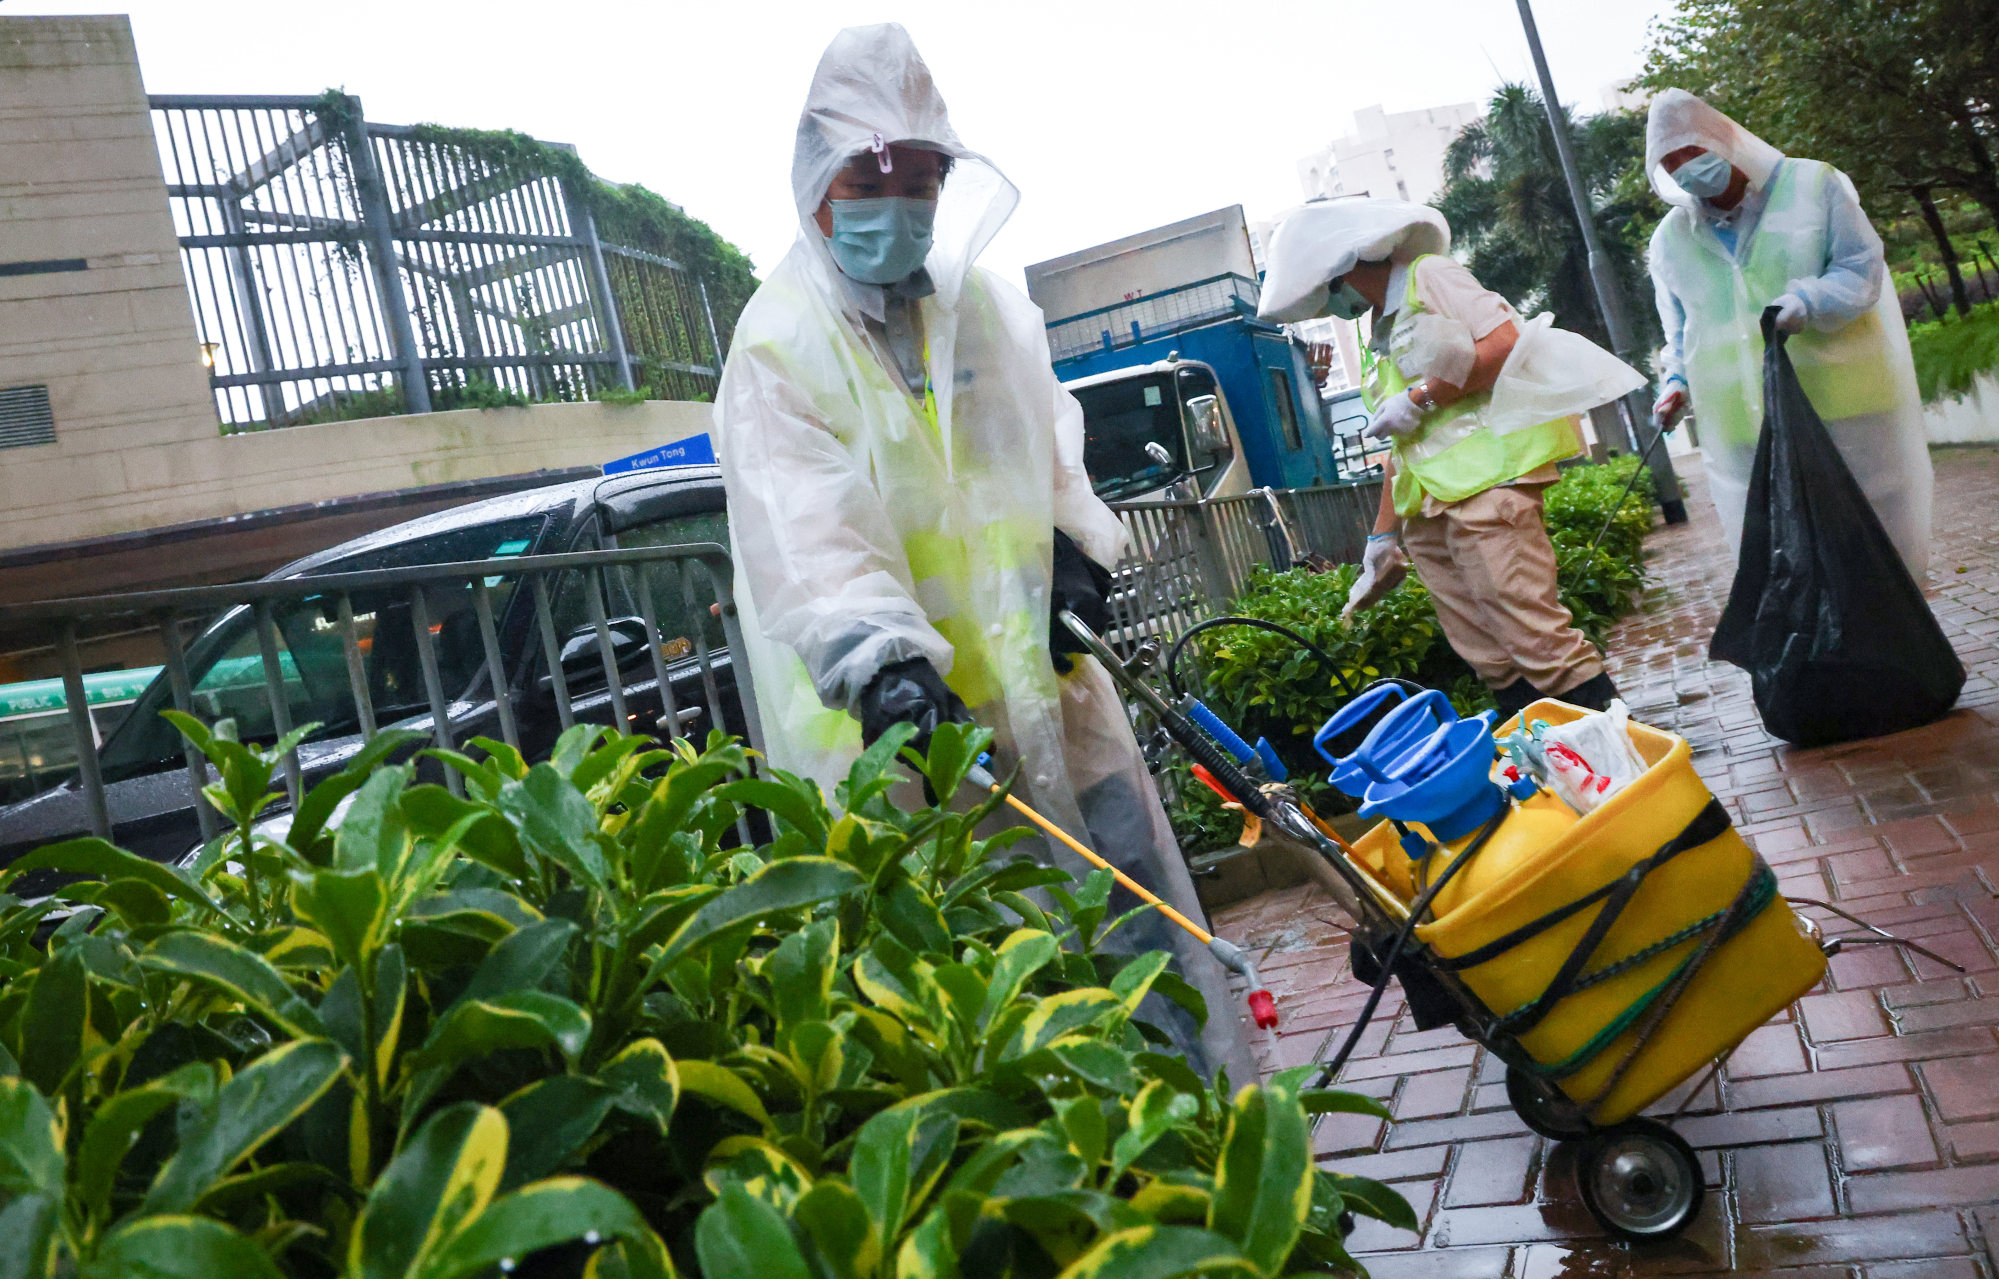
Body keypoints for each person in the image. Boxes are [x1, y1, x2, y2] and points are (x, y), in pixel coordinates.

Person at [713, 23, 1257, 1085]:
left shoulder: (991, 310)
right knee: (990, 998)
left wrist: (1075, 554)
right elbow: (807, 539)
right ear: (818, 182)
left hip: (1052, 699)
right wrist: (889, 673)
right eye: (872, 170)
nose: (898, 195)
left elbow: (1052, 456)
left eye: (920, 172)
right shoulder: (778, 344)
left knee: (1137, 940)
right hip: (910, 755)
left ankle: (1207, 1155)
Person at [1260, 200, 1619, 717]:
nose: (1330, 308)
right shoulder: (1376, 333)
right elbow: (1403, 446)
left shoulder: (1429, 277)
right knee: (1491, 659)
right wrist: (1382, 537)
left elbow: (1504, 342)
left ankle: (1642, 775)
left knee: (1540, 644)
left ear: (1341, 270)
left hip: (1489, 486)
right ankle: (1558, 777)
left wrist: (1421, 396)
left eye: (1326, 293)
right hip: (1430, 508)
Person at [1645, 88, 1934, 579]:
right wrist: (1675, 384)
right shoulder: (1672, 239)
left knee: (1881, 564)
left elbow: (1861, 270)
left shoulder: (1812, 185)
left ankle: (1899, 653)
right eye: (1670, 161)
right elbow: (1680, 332)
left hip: (1848, 412)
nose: (1685, 168)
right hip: (1745, 436)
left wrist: (1807, 300)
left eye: (1693, 150)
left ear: (1726, 138)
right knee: (1793, 576)